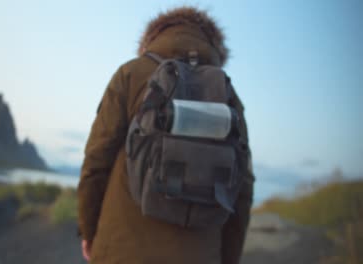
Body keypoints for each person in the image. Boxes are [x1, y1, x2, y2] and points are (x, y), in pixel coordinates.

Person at [77, 6, 254, 264]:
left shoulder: (133, 74)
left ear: (153, 36)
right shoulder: (227, 94)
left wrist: (88, 231)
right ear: (215, 46)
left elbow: (96, 162)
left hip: (121, 251)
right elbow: (241, 191)